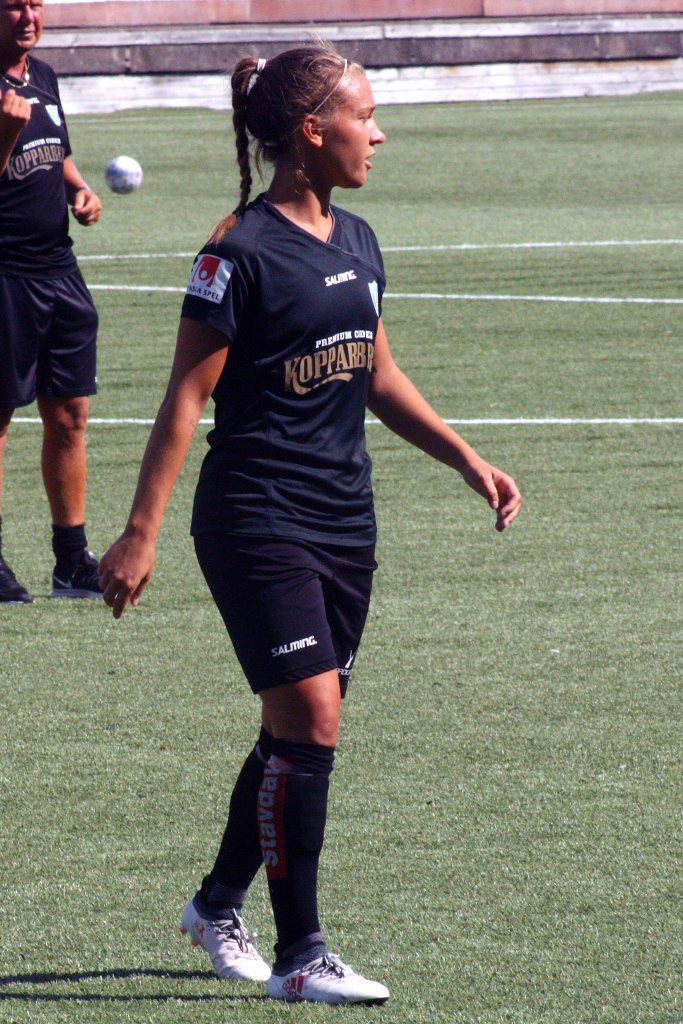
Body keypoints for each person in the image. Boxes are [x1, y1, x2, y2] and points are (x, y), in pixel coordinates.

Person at [99, 44, 522, 1005]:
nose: (378, 134)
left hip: (344, 522)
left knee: (295, 730)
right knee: (312, 722)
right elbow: (183, 399)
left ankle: (215, 906)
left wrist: (466, 459)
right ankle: (302, 955)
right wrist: (139, 533)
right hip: (255, 517)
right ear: (310, 130)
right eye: (363, 117)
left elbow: (376, 373)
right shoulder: (237, 254)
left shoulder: (359, 239)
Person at [0, 0, 103, 603]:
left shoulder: (43, 75)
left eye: (35, 4)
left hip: (58, 268)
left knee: (69, 413)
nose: (28, 16)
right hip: (5, 272)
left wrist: (79, 190)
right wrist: (5, 133)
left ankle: (71, 561)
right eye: (14, 5)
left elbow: (56, 151)